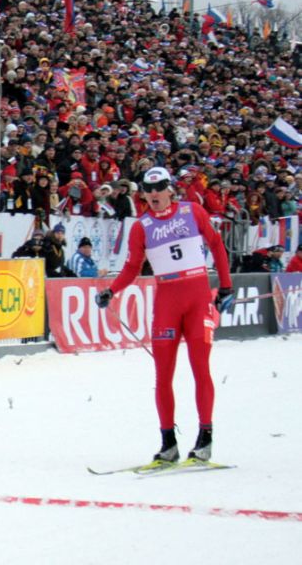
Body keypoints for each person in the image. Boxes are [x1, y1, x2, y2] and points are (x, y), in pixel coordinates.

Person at [96, 167, 233, 466]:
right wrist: (112, 290)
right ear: (143, 193)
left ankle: (205, 439)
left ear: (169, 189)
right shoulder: (141, 226)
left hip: (197, 298)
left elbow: (216, 245)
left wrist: (225, 286)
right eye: (148, 189)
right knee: (163, 375)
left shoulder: (192, 211)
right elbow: (132, 267)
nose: (154, 194)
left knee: (200, 369)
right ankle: (168, 443)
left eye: (159, 188)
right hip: (167, 302)